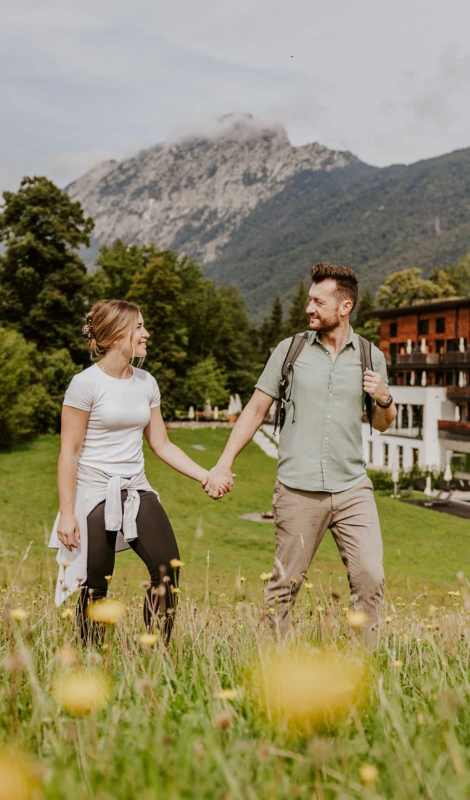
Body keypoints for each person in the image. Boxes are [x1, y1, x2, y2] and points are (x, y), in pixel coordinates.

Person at [203, 263, 397, 639]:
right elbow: (256, 410)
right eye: (309, 299)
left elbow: (382, 422)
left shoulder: (372, 357)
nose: (309, 307)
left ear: (344, 307)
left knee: (370, 579)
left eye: (318, 301)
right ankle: (275, 672)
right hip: (297, 490)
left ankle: (363, 671)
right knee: (284, 586)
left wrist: (384, 397)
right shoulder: (288, 350)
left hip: (353, 489)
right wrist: (224, 463)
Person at [49, 299, 225, 645]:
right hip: (94, 491)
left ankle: (154, 653)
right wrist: (67, 514)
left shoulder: (146, 382)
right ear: (117, 335)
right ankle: (91, 659)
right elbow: (68, 453)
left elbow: (161, 444)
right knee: (97, 582)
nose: (146, 333)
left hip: (136, 488)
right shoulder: (85, 384)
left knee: (167, 570)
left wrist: (205, 475)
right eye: (139, 327)